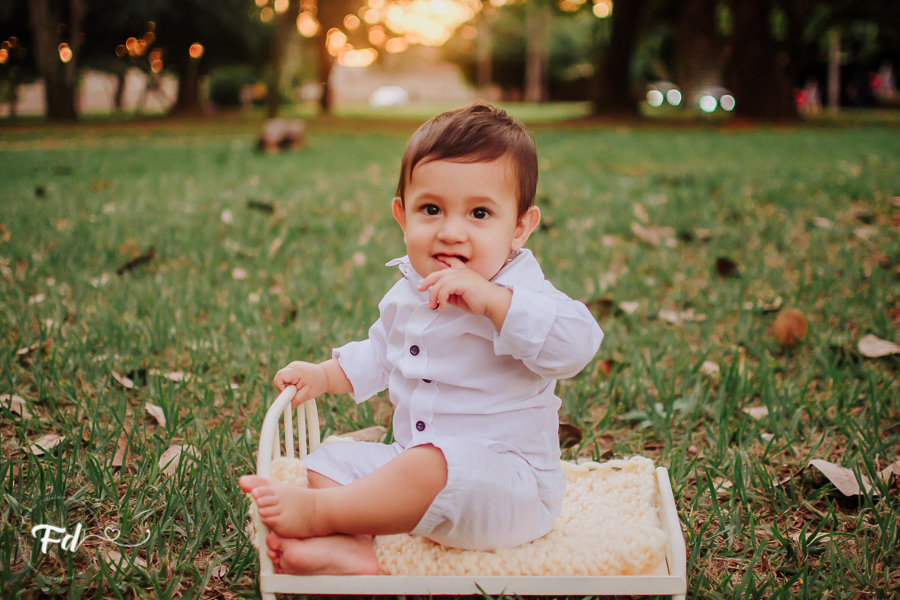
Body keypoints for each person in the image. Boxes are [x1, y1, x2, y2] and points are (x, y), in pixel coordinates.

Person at [240, 101, 603, 576]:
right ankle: (353, 545)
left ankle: (319, 514)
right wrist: (327, 375)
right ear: (402, 216)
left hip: (508, 487)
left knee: (429, 464)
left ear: (519, 227)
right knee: (330, 460)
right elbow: (382, 351)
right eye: (431, 209)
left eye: (479, 213)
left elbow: (576, 346)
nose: (451, 232)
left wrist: (494, 303)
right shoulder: (408, 289)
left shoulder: (523, 293)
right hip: (415, 460)